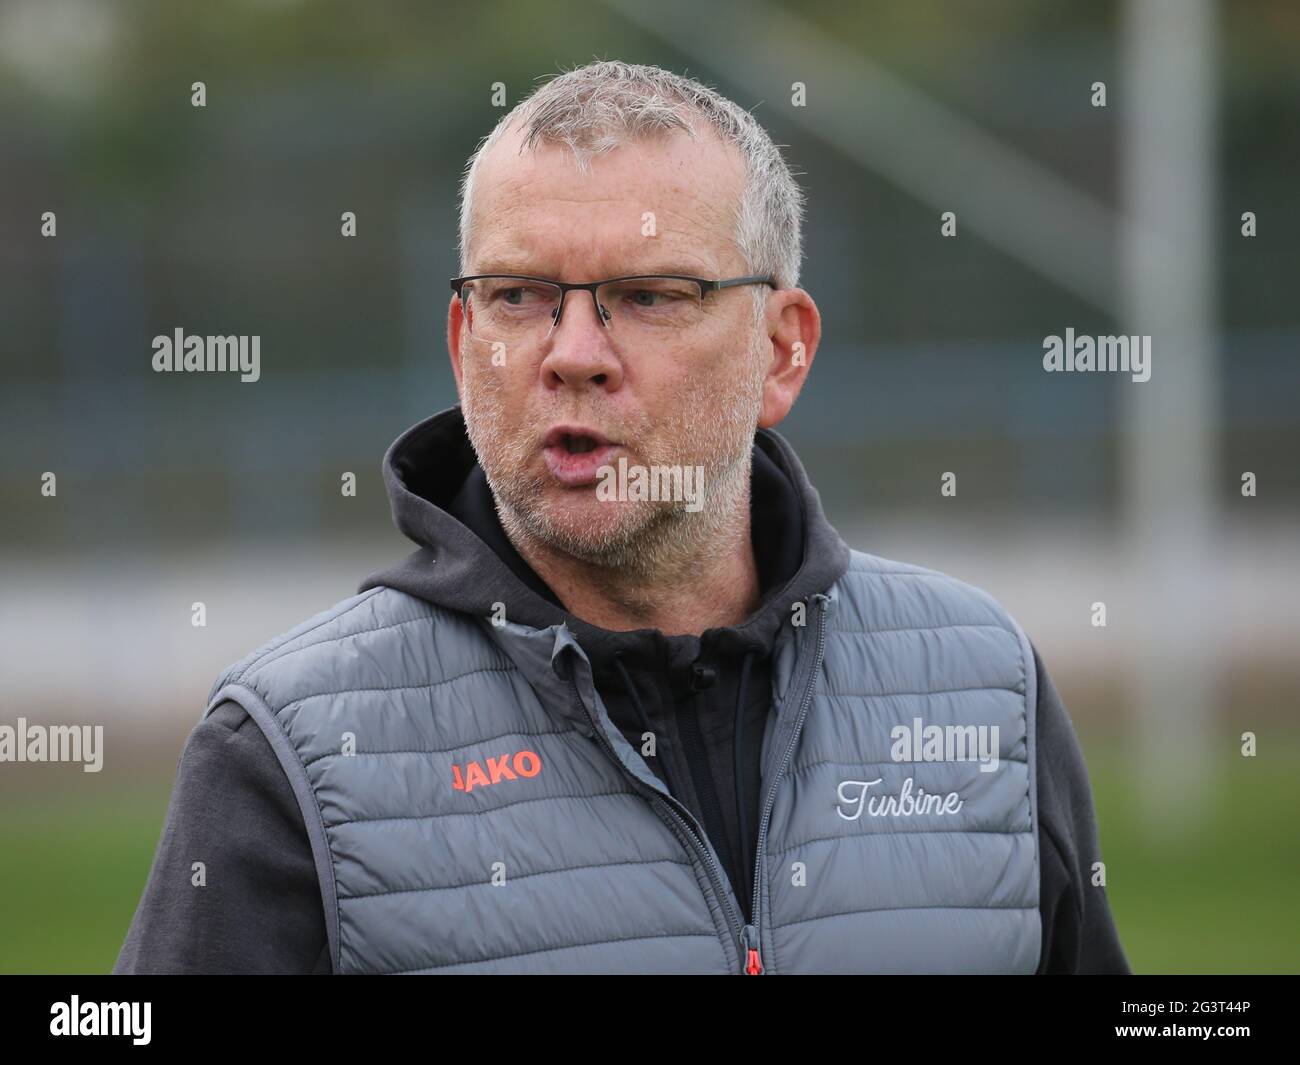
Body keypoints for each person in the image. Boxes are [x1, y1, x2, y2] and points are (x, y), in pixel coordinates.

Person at [114, 60, 1129, 975]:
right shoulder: (288, 750)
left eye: (648, 296)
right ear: (465, 339)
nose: (573, 351)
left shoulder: (978, 684)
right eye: (518, 296)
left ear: (781, 350)